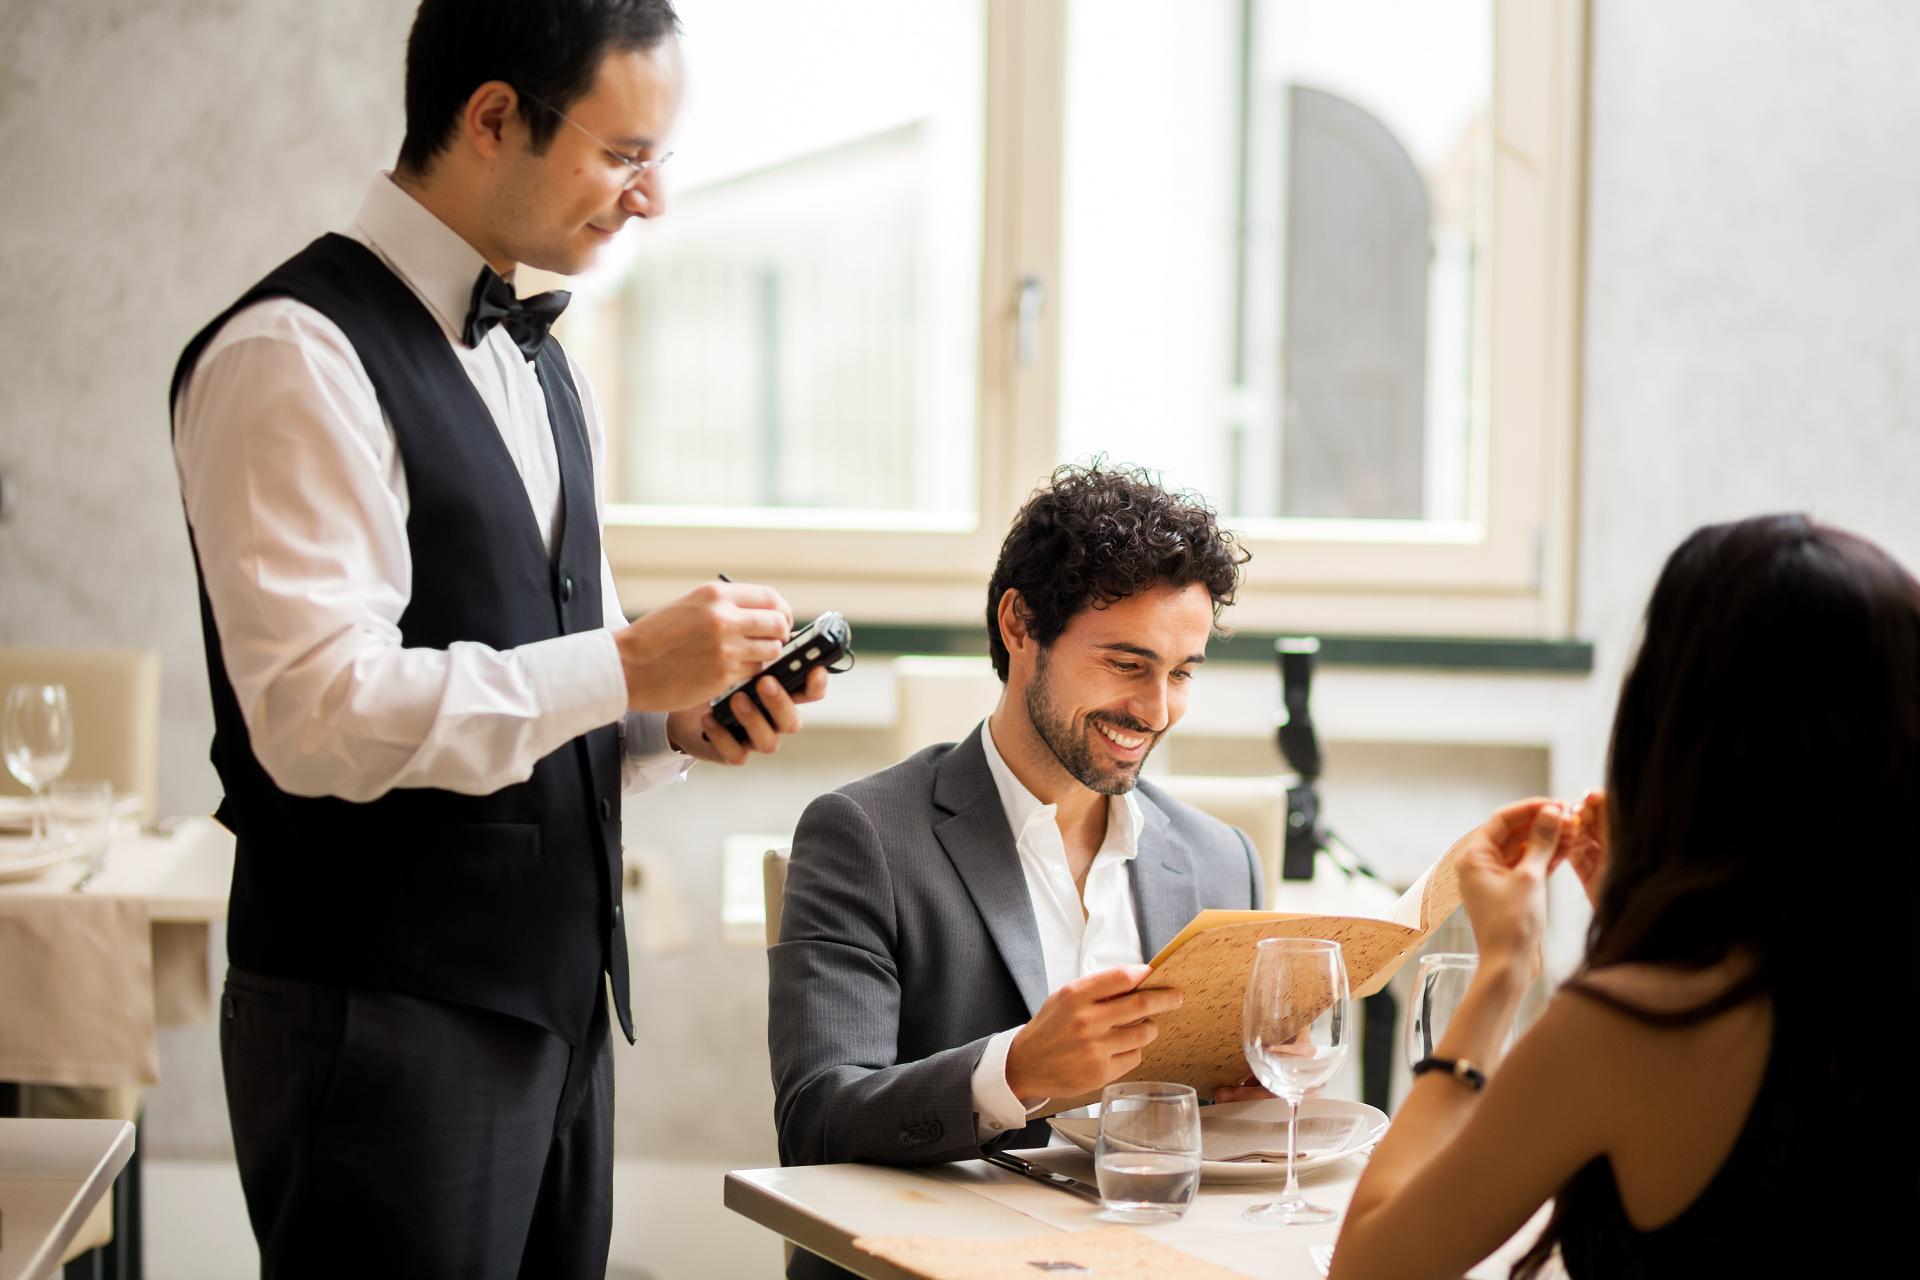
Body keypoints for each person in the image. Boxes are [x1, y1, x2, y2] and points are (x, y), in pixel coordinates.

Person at [169, 2, 826, 1274]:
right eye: (624, 154)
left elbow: (541, 655)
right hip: (380, 1016)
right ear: (490, 118)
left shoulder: (533, 357)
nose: (650, 203)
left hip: (557, 1009)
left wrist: (668, 714)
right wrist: (631, 663)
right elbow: (316, 717)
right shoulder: (291, 354)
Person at [1330, 514, 1920, 1278]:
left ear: (1677, 738)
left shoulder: (1638, 1025)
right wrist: (1642, 921)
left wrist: (1503, 967)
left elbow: (1372, 1268)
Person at [769, 464, 1266, 1280]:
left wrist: (1253, 1105)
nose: (1156, 710)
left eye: (1181, 673)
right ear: (1019, 625)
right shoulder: (864, 836)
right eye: (1127, 664)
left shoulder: (1220, 860)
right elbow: (817, 1122)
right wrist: (1019, 1070)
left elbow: (1224, 1134)